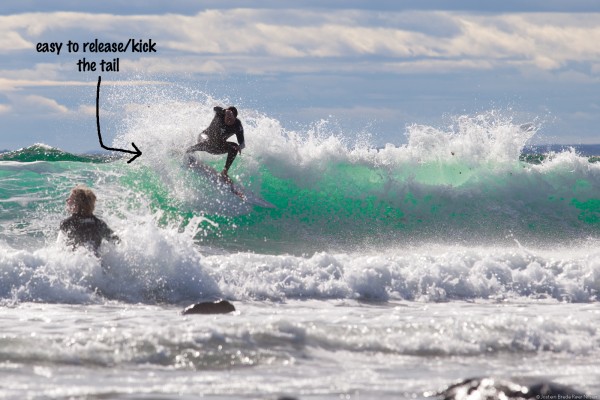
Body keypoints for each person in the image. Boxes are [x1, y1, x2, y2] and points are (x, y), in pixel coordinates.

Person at [186, 106, 245, 182]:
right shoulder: (220, 115)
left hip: (218, 146)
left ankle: (225, 172)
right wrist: (224, 111)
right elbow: (215, 108)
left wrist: (240, 147)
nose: (229, 120)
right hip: (205, 138)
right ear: (225, 115)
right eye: (227, 117)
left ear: (235, 118)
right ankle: (188, 152)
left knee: (234, 147)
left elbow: (242, 143)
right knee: (209, 140)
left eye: (231, 118)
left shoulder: (237, 125)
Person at [60, 185, 119, 255]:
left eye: (69, 199)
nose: (67, 200)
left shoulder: (67, 224)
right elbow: (117, 241)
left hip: (76, 263)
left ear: (75, 206)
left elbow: (60, 249)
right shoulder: (100, 224)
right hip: (97, 264)